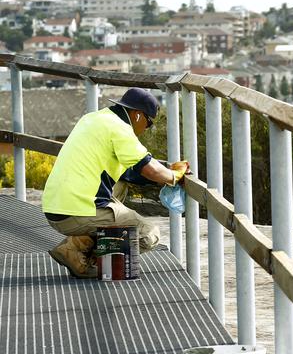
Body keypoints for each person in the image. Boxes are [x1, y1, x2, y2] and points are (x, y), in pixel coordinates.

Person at [42, 87, 189, 278]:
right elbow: (150, 169)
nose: (146, 129)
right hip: (75, 212)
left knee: (119, 185)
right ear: (137, 115)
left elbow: (129, 172)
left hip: (54, 206)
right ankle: (80, 257)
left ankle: (75, 245)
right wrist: (175, 176)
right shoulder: (120, 129)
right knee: (149, 235)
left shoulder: (94, 118)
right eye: (149, 123)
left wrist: (163, 174)